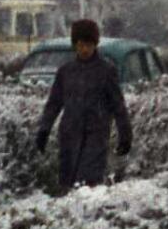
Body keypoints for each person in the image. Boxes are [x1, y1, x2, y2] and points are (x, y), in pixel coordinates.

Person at [34, 18, 132, 192]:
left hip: (96, 136)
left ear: (95, 45)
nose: (84, 49)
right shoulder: (65, 72)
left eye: (88, 45)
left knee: (88, 184)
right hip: (69, 136)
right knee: (67, 184)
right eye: (80, 45)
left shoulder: (106, 71)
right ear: (74, 45)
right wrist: (44, 130)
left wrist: (125, 134)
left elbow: (118, 105)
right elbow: (54, 104)